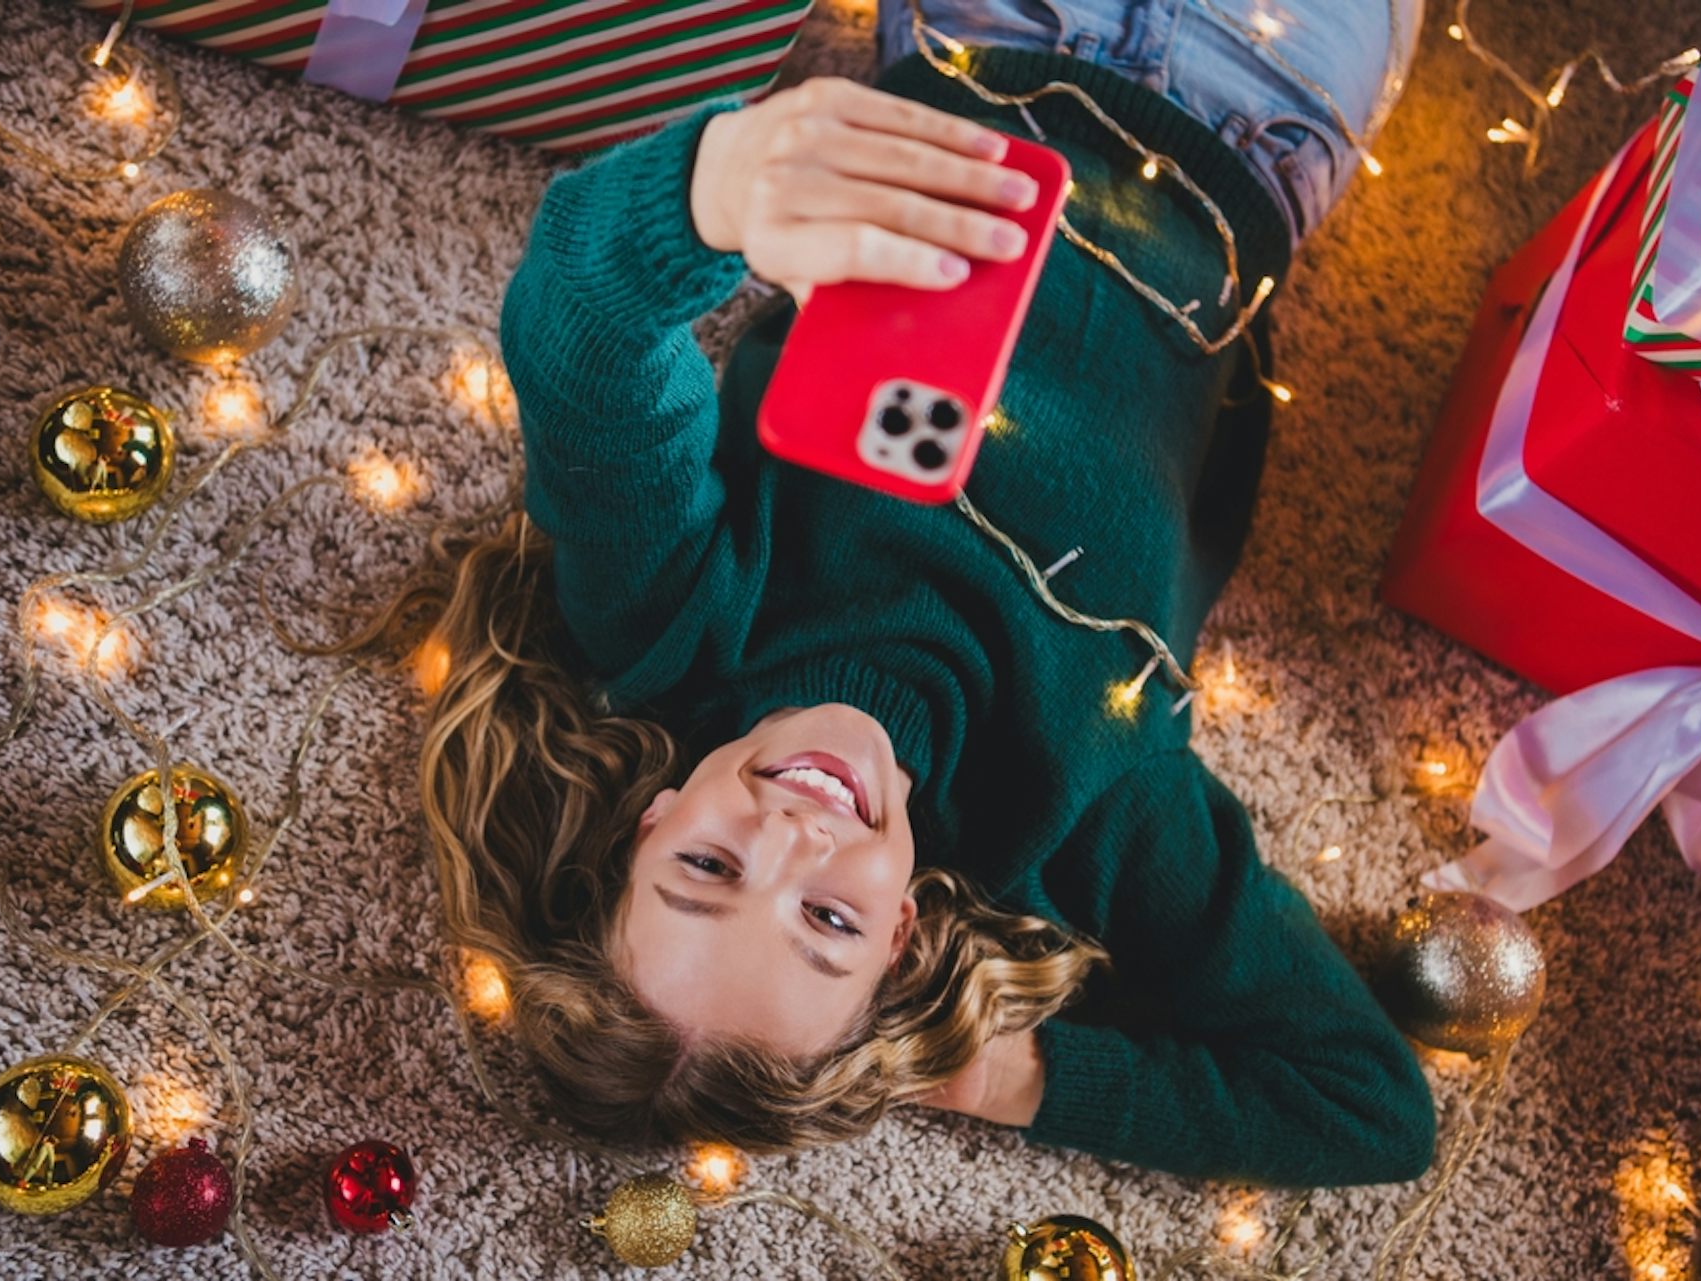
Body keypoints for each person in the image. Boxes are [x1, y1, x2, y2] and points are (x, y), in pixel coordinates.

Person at [417, 0, 1435, 1187]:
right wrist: (1010, 1079)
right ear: (901, 936)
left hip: (988, 42)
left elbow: (581, 321)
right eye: (829, 924)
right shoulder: (1087, 816)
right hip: (1258, 116)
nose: (792, 840)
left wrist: (716, 189)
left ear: (653, 820)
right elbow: (1368, 1110)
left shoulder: (663, 625)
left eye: (708, 871)